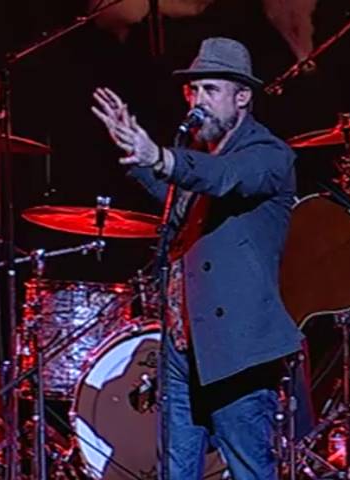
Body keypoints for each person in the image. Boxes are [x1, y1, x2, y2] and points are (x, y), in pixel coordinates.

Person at [92, 37, 308, 479]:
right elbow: (178, 199)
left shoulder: (269, 155)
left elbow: (224, 179)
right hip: (182, 344)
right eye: (193, 90)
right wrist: (136, 156)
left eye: (210, 89)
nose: (198, 101)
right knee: (177, 469)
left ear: (242, 97)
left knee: (249, 468)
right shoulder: (202, 157)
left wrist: (160, 157)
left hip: (237, 350)